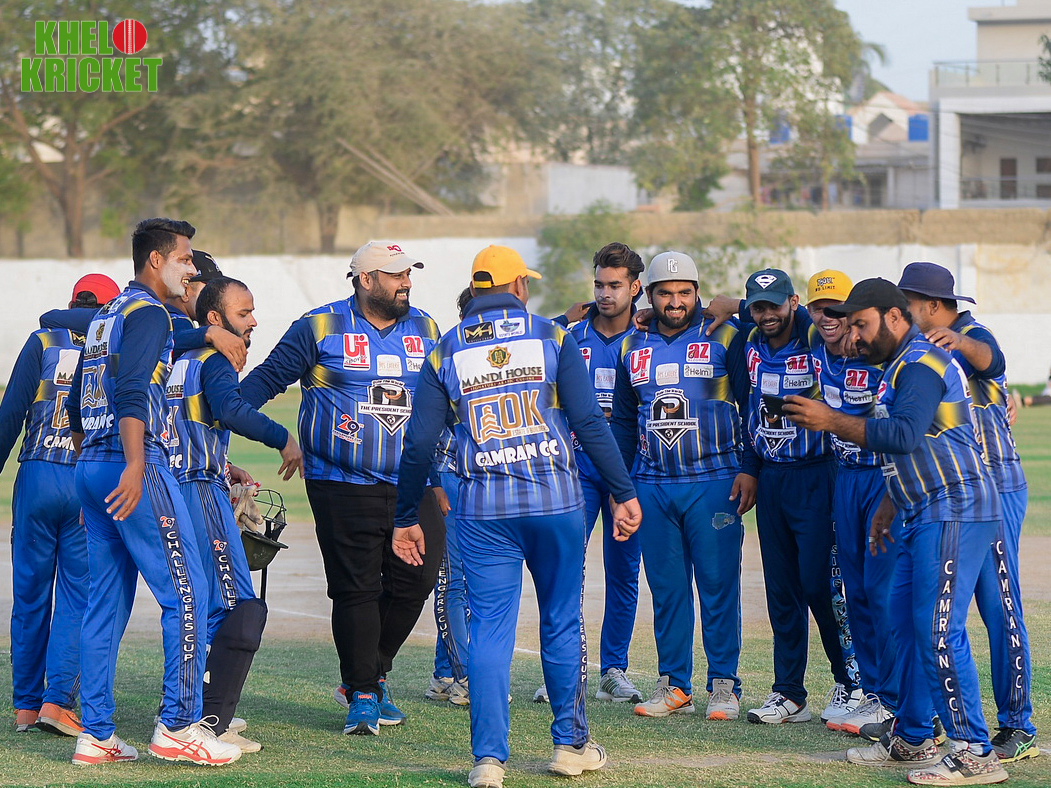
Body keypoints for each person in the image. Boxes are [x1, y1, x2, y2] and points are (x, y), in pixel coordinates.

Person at [392, 244, 642, 788]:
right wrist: (623, 491)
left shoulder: (445, 349)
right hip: (555, 503)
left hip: (482, 511)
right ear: (519, 287)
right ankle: (569, 746)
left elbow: (419, 442)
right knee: (562, 621)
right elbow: (589, 423)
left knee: (489, 632)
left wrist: (405, 513)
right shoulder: (553, 337)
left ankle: (488, 760)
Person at [784, 278, 1007, 785]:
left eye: (862, 325)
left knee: (938, 629)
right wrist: (890, 502)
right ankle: (913, 736)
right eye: (851, 326)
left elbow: (904, 434)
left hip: (955, 507)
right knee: (903, 624)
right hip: (921, 507)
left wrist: (831, 420)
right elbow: (918, 444)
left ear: (893, 316)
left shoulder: (921, 363)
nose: (855, 337)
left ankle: (975, 752)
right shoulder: (898, 367)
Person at [240, 240, 445, 735]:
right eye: (396, 275)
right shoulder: (318, 327)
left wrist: (441, 475)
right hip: (340, 483)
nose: (406, 283)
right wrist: (255, 435)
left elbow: (442, 404)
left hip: (413, 482)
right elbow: (257, 386)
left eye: (408, 274)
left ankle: (368, 672)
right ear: (365, 280)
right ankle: (365, 692)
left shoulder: (427, 328)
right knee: (357, 589)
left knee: (416, 582)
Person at [66, 218, 242, 766]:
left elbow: (75, 403)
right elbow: (131, 389)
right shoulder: (148, 313)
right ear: (155, 261)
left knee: (104, 604)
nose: (191, 271)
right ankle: (179, 726)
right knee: (187, 593)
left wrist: (97, 466)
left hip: (92, 466)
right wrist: (136, 463)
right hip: (132, 464)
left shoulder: (108, 315)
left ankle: (96, 734)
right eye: (185, 259)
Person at [897, 261, 1037, 763]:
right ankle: (924, 727)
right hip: (951, 493)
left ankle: (1017, 724)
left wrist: (959, 343)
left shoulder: (970, 334)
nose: (901, 313)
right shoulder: (916, 347)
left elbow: (991, 359)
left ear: (932, 305)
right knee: (935, 614)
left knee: (998, 606)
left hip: (994, 488)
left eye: (908, 304)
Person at [610, 250, 756, 721]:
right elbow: (624, 423)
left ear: (697, 292)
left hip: (714, 481)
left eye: (684, 293)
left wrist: (749, 467)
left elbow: (752, 404)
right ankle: (674, 684)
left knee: (718, 585)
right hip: (652, 484)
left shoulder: (725, 335)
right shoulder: (632, 344)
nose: (675, 302)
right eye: (665, 293)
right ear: (649, 295)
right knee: (667, 589)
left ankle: (723, 686)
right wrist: (622, 485)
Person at [167, 275, 304, 753]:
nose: (253, 322)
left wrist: (223, 465)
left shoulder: (179, 357)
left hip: (175, 486)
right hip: (198, 490)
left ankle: (191, 712)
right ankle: (209, 724)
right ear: (215, 319)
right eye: (244, 314)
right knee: (238, 607)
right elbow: (230, 408)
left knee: (200, 605)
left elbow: (185, 424)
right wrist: (283, 438)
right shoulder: (215, 358)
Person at [736, 269, 861, 725]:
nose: (766, 314)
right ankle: (788, 692)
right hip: (773, 478)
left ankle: (851, 683)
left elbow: (831, 317)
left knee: (820, 586)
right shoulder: (750, 342)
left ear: (793, 303)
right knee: (781, 590)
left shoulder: (814, 337)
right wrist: (751, 467)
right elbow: (749, 408)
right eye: (758, 306)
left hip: (817, 474)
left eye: (775, 304)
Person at [1, 274, 119, 736]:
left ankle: (25, 707)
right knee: (78, 597)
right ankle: (57, 702)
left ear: (72, 302)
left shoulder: (43, 340)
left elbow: (10, 415)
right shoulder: (115, 341)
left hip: (36, 475)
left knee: (29, 596)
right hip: (86, 477)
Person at [534, 242, 647, 707]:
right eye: (599, 284)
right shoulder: (567, 335)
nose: (605, 293)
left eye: (615, 285)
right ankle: (563, 669)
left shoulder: (646, 337)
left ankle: (613, 670)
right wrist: (560, 319)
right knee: (564, 569)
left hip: (628, 475)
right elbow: (527, 345)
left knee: (623, 573)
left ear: (635, 288)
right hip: (574, 472)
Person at [804, 270, 902, 737]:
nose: (828, 318)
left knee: (883, 591)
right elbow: (751, 310)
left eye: (837, 310)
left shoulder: (880, 352)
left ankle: (895, 698)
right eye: (819, 308)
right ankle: (872, 692)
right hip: (844, 477)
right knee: (854, 590)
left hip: (881, 477)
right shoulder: (814, 341)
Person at [427, 287, 474, 707]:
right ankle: (466, 676)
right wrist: (433, 481)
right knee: (455, 581)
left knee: (471, 582)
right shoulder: (447, 354)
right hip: (450, 476)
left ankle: (444, 672)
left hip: (482, 478)